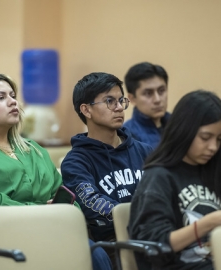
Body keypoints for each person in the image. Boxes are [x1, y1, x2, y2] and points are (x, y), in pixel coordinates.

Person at [0, 72, 113, 270]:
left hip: (42, 228)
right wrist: (36, 211)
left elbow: (64, 195)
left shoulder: (33, 148)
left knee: (95, 253)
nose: (12, 102)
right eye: (0, 97)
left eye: (13, 95)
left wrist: (64, 212)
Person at [129, 90, 221, 270]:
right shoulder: (159, 177)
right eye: (205, 137)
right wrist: (209, 223)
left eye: (219, 139)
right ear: (184, 131)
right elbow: (153, 246)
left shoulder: (213, 170)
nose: (213, 147)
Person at [61, 72, 153, 244]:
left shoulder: (145, 151)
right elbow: (93, 203)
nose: (119, 107)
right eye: (109, 101)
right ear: (86, 109)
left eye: (121, 101)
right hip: (114, 244)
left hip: (156, 234)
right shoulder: (75, 162)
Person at [123, 62, 170, 149]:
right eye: (148, 93)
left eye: (161, 91)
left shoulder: (178, 125)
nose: (157, 100)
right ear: (132, 98)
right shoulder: (126, 136)